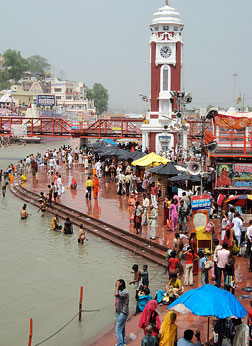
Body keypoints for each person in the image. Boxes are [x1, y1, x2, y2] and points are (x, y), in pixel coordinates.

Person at [114, 279, 129, 346]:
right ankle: (123, 342)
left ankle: (120, 344)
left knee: (118, 330)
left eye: (118, 284)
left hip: (123, 313)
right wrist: (117, 286)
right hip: (120, 311)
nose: (116, 286)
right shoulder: (121, 291)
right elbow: (116, 294)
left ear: (121, 285)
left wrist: (117, 286)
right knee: (122, 328)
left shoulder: (125, 292)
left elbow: (116, 294)